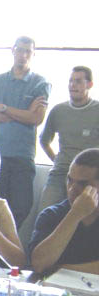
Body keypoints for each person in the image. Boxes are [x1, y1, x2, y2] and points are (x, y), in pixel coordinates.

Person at [0, 36, 51, 229]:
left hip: (23, 156)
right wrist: (24, 113)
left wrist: (4, 108)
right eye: (20, 50)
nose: (23, 55)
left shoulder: (40, 83)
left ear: (33, 54)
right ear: (13, 51)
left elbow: (36, 119)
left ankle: (8, 243)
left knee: (21, 207)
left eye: (28, 51)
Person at [29, 148, 99, 274]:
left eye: (83, 184)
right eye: (69, 180)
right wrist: (75, 215)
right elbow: (39, 265)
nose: (72, 189)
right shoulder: (52, 215)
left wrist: (60, 268)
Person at [38, 66, 99, 211]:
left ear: (89, 84)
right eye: (71, 81)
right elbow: (44, 140)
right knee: (45, 212)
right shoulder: (58, 110)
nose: (73, 85)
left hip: (89, 177)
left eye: (78, 81)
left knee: (86, 216)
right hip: (61, 173)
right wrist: (57, 159)